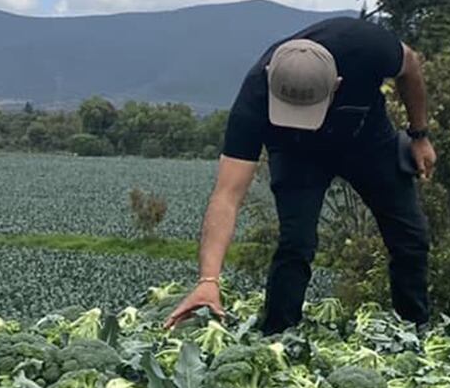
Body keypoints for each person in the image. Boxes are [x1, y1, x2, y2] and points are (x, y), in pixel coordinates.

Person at [165, 17, 436, 334]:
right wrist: (208, 280)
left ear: (336, 84)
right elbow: (227, 195)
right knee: (296, 242)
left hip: (367, 140)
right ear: (271, 78)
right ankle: (278, 336)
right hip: (296, 153)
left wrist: (419, 135)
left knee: (410, 237)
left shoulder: (367, 45)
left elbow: (410, 66)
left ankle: (414, 331)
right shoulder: (254, 97)